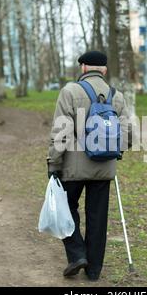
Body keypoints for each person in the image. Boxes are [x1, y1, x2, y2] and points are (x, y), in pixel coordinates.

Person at [46, 51, 130, 281]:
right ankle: (94, 270)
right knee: (97, 217)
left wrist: (53, 162)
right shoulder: (117, 96)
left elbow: (61, 131)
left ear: (83, 67)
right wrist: (115, 152)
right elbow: (128, 134)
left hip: (73, 168)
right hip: (104, 169)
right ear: (104, 69)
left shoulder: (70, 92)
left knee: (66, 209)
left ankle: (76, 255)